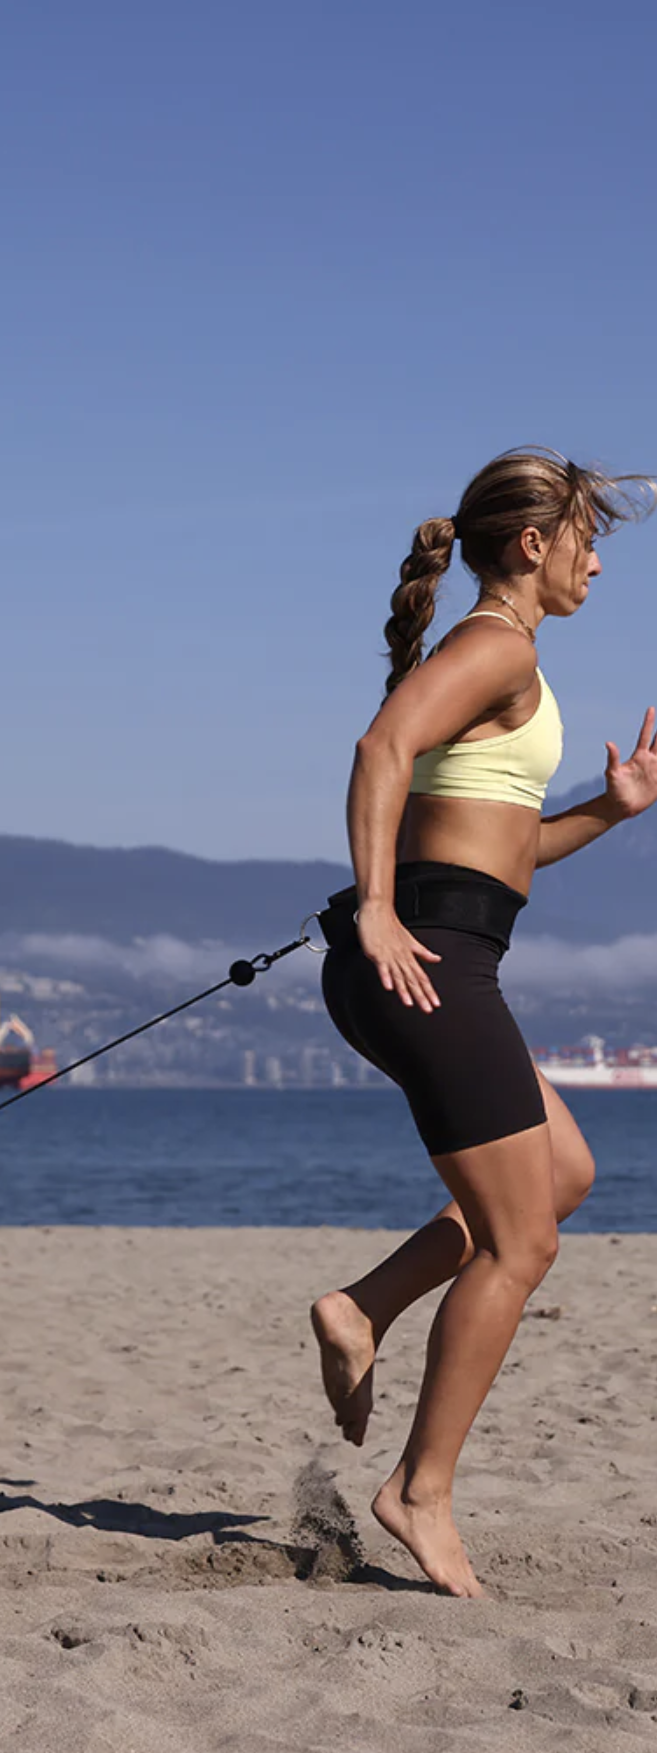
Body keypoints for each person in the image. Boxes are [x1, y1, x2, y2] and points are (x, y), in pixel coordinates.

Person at [309, 447, 657, 1598]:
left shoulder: (514, 660)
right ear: (529, 544)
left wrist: (603, 813)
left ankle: (361, 1307)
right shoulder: (494, 643)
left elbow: (499, 846)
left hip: (447, 953)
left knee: (558, 1174)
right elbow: (379, 749)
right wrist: (368, 909)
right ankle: (418, 1490)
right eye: (583, 539)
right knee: (523, 1241)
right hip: (423, 964)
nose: (596, 561)